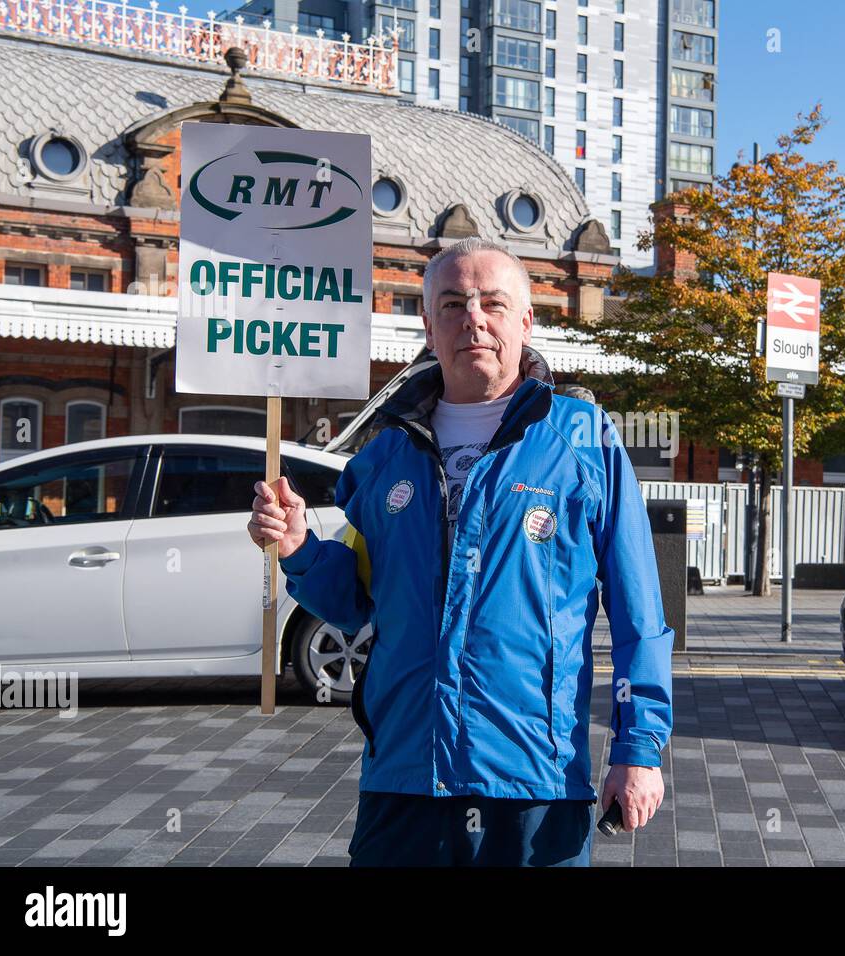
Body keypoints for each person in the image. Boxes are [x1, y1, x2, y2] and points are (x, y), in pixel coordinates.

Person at [247, 237, 673, 866]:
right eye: (452, 303)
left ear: (526, 321)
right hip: (405, 774)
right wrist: (300, 547)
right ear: (427, 323)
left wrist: (638, 750)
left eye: (493, 303)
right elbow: (358, 602)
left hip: (535, 779)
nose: (473, 317)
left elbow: (641, 616)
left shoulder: (584, 442)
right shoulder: (383, 456)